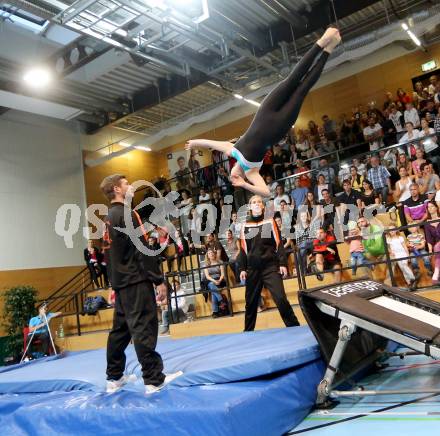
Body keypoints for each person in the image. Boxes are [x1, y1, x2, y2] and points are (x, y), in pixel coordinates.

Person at [185, 28, 341, 196]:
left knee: (291, 80)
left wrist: (194, 142)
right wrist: (244, 184)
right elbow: (266, 192)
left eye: (232, 178)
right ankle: (328, 50)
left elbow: (210, 143)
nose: (233, 178)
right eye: (234, 180)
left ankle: (321, 42)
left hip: (265, 112)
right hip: (280, 125)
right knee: (302, 90)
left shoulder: (232, 150)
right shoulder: (252, 171)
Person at [100, 174, 182, 395]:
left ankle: (114, 377)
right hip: (136, 280)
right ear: (117, 189)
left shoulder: (109, 218)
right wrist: (158, 279)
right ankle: (154, 379)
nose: (131, 187)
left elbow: (109, 256)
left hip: (122, 282)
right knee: (143, 327)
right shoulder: (128, 214)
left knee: (120, 331)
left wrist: (113, 284)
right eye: (127, 184)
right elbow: (143, 250)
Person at [238, 195, 300, 331]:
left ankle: (295, 328)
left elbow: (279, 244)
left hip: (270, 267)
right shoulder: (244, 226)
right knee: (250, 303)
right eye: (253, 202)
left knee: (281, 299)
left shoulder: (270, 221)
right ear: (249, 207)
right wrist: (242, 268)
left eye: (259, 201)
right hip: (253, 269)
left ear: (262, 205)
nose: (256, 204)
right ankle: (248, 332)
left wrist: (283, 263)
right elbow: (243, 249)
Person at [295, 210, 319, 275]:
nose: (303, 217)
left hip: (312, 243)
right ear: (300, 217)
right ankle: (304, 272)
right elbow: (298, 240)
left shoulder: (311, 224)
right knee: (302, 250)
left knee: (304, 244)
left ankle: (299, 264)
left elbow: (315, 237)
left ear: (307, 216)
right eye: (302, 216)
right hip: (303, 246)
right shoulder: (297, 227)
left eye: (305, 216)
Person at [204, 249, 226, 318]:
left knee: (213, 292)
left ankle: (215, 312)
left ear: (214, 254)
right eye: (209, 253)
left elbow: (222, 274)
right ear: (208, 256)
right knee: (211, 285)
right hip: (210, 280)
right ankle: (221, 300)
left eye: (212, 252)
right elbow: (207, 276)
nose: (211, 254)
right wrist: (214, 281)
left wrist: (219, 280)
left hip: (220, 279)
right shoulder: (206, 265)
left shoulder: (220, 262)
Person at [425, 201, 440, 283]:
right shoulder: (427, 224)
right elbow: (428, 238)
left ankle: (436, 275)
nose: (430, 208)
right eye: (428, 207)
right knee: (437, 248)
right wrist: (430, 251)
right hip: (436, 246)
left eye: (432, 206)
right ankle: (437, 275)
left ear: (436, 207)